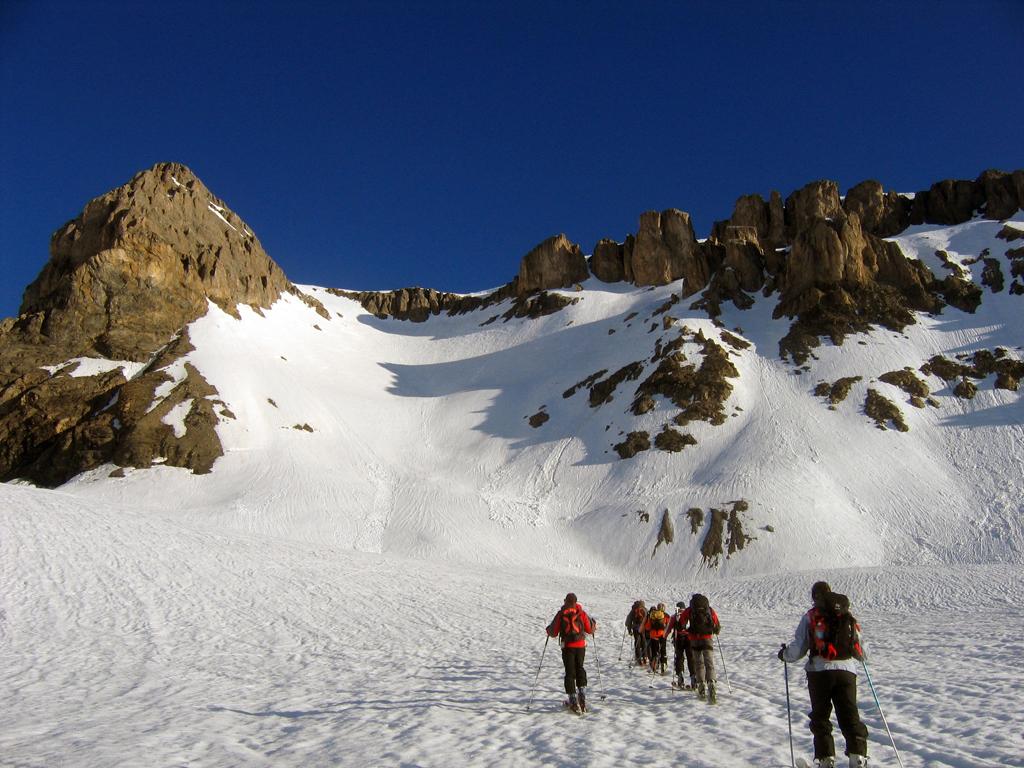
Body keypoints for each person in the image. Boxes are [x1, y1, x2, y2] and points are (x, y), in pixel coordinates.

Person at [779, 581, 869, 768]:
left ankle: (826, 759)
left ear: (814, 597)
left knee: (821, 717)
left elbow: (799, 647)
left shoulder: (811, 616)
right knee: (850, 715)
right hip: (847, 672)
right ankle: (857, 757)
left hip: (819, 673)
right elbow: (861, 651)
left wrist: (785, 655)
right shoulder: (847, 616)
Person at [547, 592, 596, 713]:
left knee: (569, 672)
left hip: (567, 646)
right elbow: (590, 629)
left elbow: (553, 632)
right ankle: (582, 694)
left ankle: (573, 699)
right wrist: (594, 624)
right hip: (580, 646)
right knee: (580, 668)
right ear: (576, 601)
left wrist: (548, 629)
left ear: (565, 601)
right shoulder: (581, 612)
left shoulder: (561, 613)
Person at [677, 593, 721, 702]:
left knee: (698, 662)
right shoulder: (709, 609)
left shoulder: (690, 610)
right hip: (707, 637)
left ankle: (701, 685)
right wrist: (716, 630)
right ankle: (711, 683)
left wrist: (683, 628)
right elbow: (716, 623)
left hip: (694, 638)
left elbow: (682, 622)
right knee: (709, 661)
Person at [667, 601, 695, 689]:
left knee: (679, 657)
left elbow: (668, 629)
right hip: (689, 638)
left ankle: (680, 675)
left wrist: (664, 637)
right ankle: (693, 677)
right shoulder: (689, 614)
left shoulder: (674, 616)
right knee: (691, 658)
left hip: (678, 638)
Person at [643, 602, 670, 674]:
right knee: (663, 651)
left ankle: (654, 666)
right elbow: (669, 626)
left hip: (653, 636)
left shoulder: (652, 614)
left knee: (654, 652)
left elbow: (647, 627)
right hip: (662, 636)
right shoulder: (666, 616)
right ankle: (663, 665)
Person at [625, 600, 648, 666]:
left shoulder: (633, 610)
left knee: (637, 642)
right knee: (644, 641)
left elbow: (628, 622)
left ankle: (638, 658)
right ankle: (645, 657)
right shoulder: (645, 610)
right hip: (643, 628)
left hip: (635, 628)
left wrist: (629, 630)